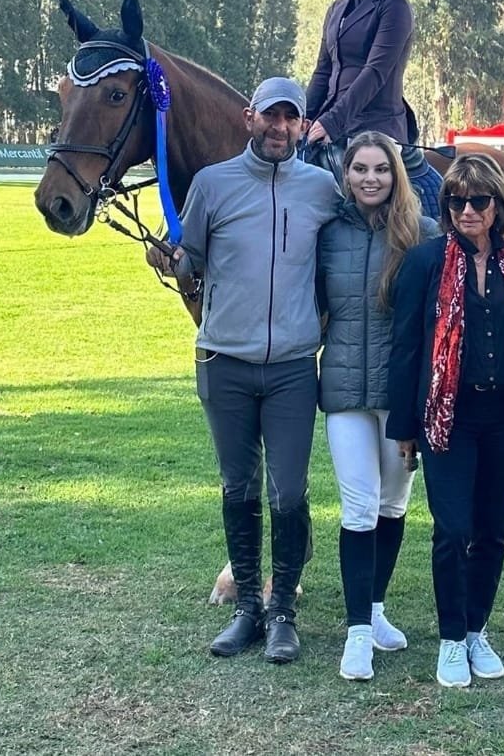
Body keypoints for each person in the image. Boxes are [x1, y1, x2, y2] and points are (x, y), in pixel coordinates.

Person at [147, 77, 341, 663]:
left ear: (301, 125)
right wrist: (169, 258)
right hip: (224, 361)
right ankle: (248, 610)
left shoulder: (322, 189)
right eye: (269, 116)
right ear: (248, 117)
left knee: (289, 491)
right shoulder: (212, 184)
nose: (279, 127)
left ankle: (282, 612)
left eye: (290, 118)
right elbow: (192, 261)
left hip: (291, 369)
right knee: (238, 487)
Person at [387, 154, 504, 689]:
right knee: (452, 530)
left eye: (479, 200)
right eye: (456, 201)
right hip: (447, 417)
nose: (467, 210)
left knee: (492, 531)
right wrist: (404, 427)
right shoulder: (425, 263)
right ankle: (452, 637)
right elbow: (406, 347)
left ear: (499, 206)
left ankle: (477, 629)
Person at [317, 131, 440, 681]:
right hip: (344, 391)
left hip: (400, 395)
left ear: (396, 174)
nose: (371, 178)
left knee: (392, 506)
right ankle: (357, 634)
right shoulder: (328, 233)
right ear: (346, 175)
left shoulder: (422, 234)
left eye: (381, 169)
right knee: (359, 507)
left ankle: (376, 608)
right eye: (361, 169)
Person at [304, 0, 442, 216]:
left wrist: (331, 121)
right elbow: (323, 71)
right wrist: (304, 116)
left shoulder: (394, 6)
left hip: (376, 123)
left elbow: (376, 72)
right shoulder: (336, 10)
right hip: (333, 121)